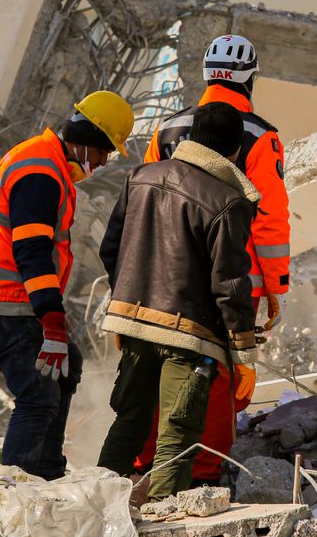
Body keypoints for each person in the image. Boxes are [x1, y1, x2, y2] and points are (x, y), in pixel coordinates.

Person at [0, 91, 134, 479]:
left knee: (64, 366)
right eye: (104, 153)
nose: (103, 163)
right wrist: (51, 321)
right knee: (37, 396)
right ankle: (14, 492)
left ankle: (47, 471)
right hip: (5, 301)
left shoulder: (42, 158)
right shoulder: (41, 172)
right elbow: (32, 252)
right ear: (89, 141)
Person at [137, 34, 289, 482]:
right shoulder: (262, 135)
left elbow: (149, 195)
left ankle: (149, 467)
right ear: (250, 79)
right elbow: (269, 220)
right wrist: (276, 286)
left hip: (162, 276)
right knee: (224, 378)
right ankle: (202, 474)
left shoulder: (165, 128)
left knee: (161, 368)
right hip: (232, 279)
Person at [97, 102, 260, 501]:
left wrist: (128, 301)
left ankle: (94, 507)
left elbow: (110, 249)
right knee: (178, 432)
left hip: (132, 321)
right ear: (236, 150)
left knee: (129, 421)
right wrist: (244, 353)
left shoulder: (140, 176)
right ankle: (161, 528)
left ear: (189, 138)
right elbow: (231, 285)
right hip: (189, 336)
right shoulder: (227, 201)